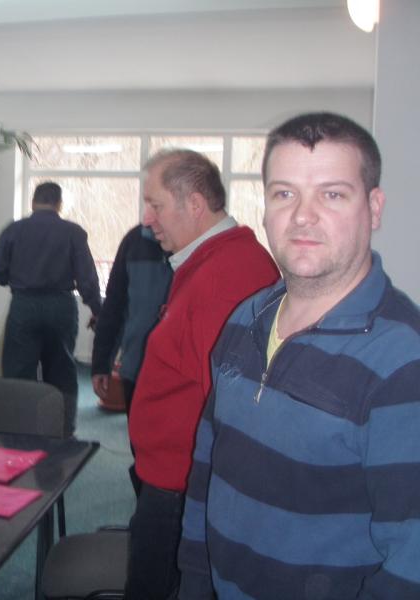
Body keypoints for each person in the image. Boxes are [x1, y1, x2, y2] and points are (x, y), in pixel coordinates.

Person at [178, 112, 420, 599]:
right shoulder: (245, 318)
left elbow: (411, 562)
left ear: (374, 209)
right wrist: (195, 578)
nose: (303, 216)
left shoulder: (403, 362)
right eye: (285, 193)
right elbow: (209, 462)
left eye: (332, 194)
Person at [125, 150, 279, 599]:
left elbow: (228, 405)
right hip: (173, 475)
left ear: (194, 204)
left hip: (184, 487)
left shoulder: (226, 276)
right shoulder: (211, 262)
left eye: (155, 205)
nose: (146, 219)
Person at [0, 181, 101, 437]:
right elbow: (86, 278)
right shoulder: (73, 232)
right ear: (59, 204)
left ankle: (19, 431)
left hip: (24, 304)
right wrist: (96, 308)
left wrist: (13, 281)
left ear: (33, 202)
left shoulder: (15, 229)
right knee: (62, 369)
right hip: (61, 306)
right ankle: (63, 429)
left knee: (18, 370)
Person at [90, 220, 172, 495]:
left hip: (184, 376)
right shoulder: (135, 241)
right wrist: (101, 362)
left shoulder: (202, 240)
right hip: (137, 369)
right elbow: (114, 304)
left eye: (156, 203)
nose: (150, 212)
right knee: (142, 450)